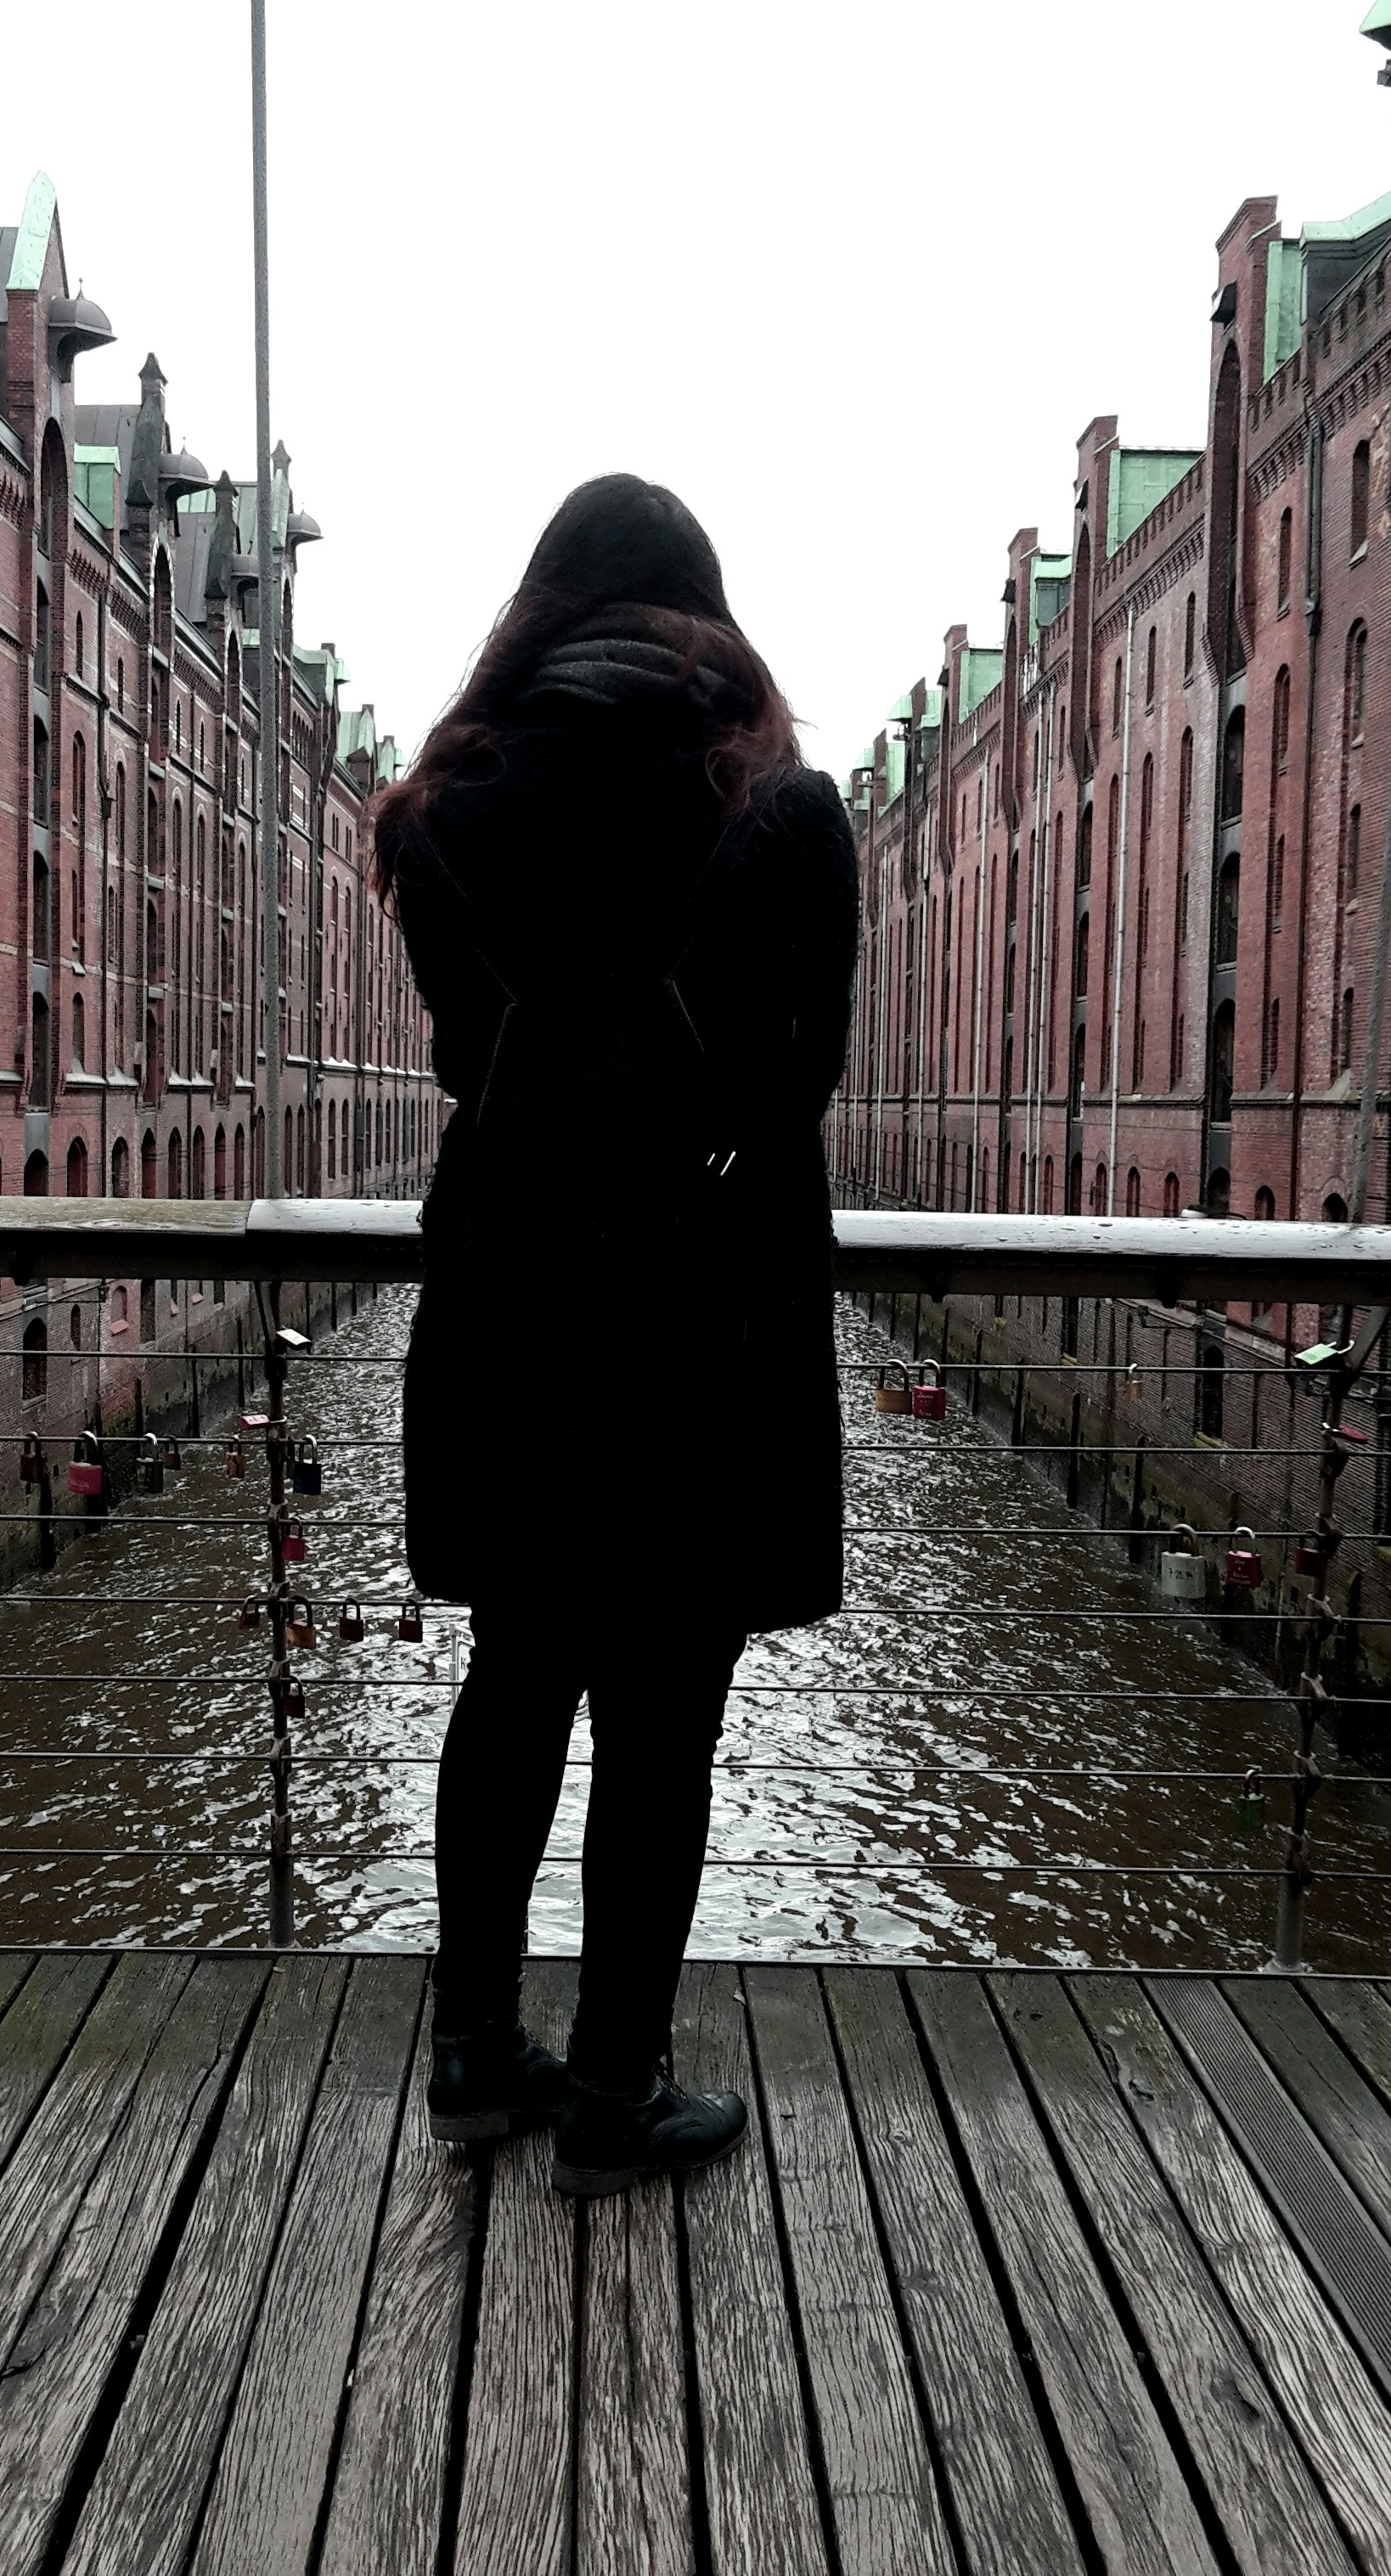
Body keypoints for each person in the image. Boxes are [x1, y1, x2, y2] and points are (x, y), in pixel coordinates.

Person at [374, 474, 857, 2196]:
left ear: (536, 618)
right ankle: (612, 2098)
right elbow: (801, 1086)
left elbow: (465, 1063)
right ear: (704, 624)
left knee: (513, 1681)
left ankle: (472, 2054)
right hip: (701, 1329)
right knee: (662, 1718)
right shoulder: (784, 814)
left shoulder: (438, 814)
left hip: (513, 1308)